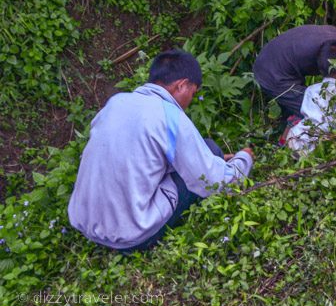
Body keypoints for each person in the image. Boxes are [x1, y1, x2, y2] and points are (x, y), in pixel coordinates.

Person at [67, 50, 255, 252]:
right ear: (181, 85)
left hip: (86, 227)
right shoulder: (170, 115)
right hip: (133, 236)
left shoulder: (116, 103)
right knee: (211, 148)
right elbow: (213, 181)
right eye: (193, 93)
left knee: (204, 155)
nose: (191, 101)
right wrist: (244, 158)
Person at [253, 14, 336, 120]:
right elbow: (334, 85)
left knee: (304, 106)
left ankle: (286, 132)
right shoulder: (335, 49)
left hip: (272, 62)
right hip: (273, 75)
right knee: (320, 113)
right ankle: (291, 145)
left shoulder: (335, 34)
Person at [283, 41, 336, 154]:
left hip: (296, 139)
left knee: (294, 119)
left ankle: (283, 148)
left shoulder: (311, 90)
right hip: (317, 145)